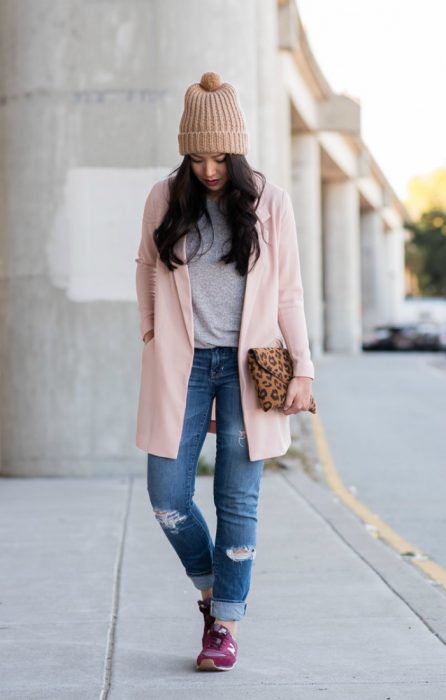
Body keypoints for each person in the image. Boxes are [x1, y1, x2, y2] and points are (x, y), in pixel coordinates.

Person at [134, 71, 315, 672]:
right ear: (185, 150)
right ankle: (216, 592)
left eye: (220, 155)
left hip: (247, 370)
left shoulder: (270, 202)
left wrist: (303, 369)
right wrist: (153, 333)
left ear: (236, 149)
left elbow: (288, 293)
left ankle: (225, 626)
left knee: (238, 501)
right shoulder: (165, 198)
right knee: (168, 497)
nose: (210, 168)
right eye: (197, 155)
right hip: (181, 368)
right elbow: (145, 268)